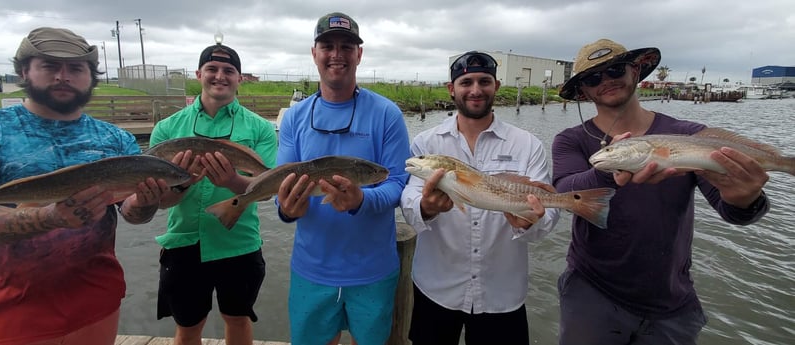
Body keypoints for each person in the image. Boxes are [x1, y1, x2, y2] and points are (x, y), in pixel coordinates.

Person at [0, 27, 168, 345]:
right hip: (3, 313)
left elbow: (129, 213)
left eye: (76, 68)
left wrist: (146, 202)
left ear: (91, 77)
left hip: (97, 303)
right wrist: (49, 217)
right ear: (24, 71)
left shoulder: (116, 139)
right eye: (49, 65)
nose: (63, 76)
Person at [552, 38, 771, 345]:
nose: (607, 80)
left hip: (671, 298)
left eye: (615, 69)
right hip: (592, 288)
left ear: (635, 70)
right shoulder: (571, 140)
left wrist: (745, 199)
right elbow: (564, 191)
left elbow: (731, 208)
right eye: (593, 78)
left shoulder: (688, 135)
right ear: (583, 91)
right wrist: (612, 170)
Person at [400, 51, 560, 345]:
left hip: (502, 292)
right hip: (436, 286)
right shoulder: (426, 142)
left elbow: (548, 214)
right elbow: (408, 201)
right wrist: (426, 207)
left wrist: (528, 223)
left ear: (496, 86)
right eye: (466, 82)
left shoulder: (528, 145)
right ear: (452, 89)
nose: (475, 90)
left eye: (484, 81)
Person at [275, 12, 411, 345]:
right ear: (314, 54)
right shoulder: (294, 117)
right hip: (312, 270)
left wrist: (361, 200)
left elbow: (397, 184)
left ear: (359, 55)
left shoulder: (387, 114)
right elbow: (282, 186)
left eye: (347, 47)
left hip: (373, 271)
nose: (337, 55)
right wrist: (287, 208)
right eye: (328, 46)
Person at [150, 40, 277, 345]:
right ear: (198, 73)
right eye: (212, 68)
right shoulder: (167, 130)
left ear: (240, 79)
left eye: (229, 70)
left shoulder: (260, 129)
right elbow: (160, 201)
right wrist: (182, 183)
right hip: (182, 243)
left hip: (240, 243)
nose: (220, 75)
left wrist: (232, 180)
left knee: (237, 319)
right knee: (188, 326)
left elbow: (267, 190)